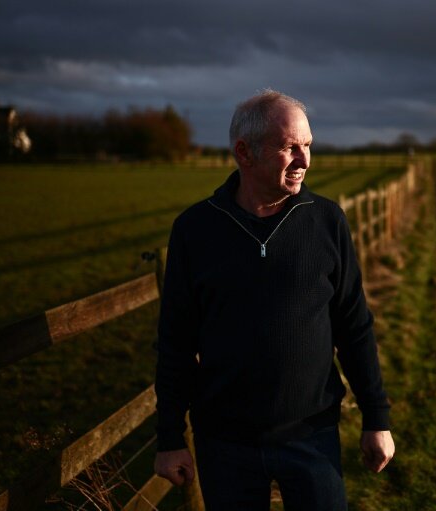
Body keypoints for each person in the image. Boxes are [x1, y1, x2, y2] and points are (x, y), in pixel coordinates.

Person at [153, 89, 394, 510]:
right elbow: (175, 342)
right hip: (225, 443)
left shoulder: (326, 220)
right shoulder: (196, 230)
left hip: (313, 437)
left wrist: (377, 418)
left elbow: (354, 325)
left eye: (308, 146)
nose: (304, 161)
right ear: (244, 153)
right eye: (289, 148)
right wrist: (170, 437)